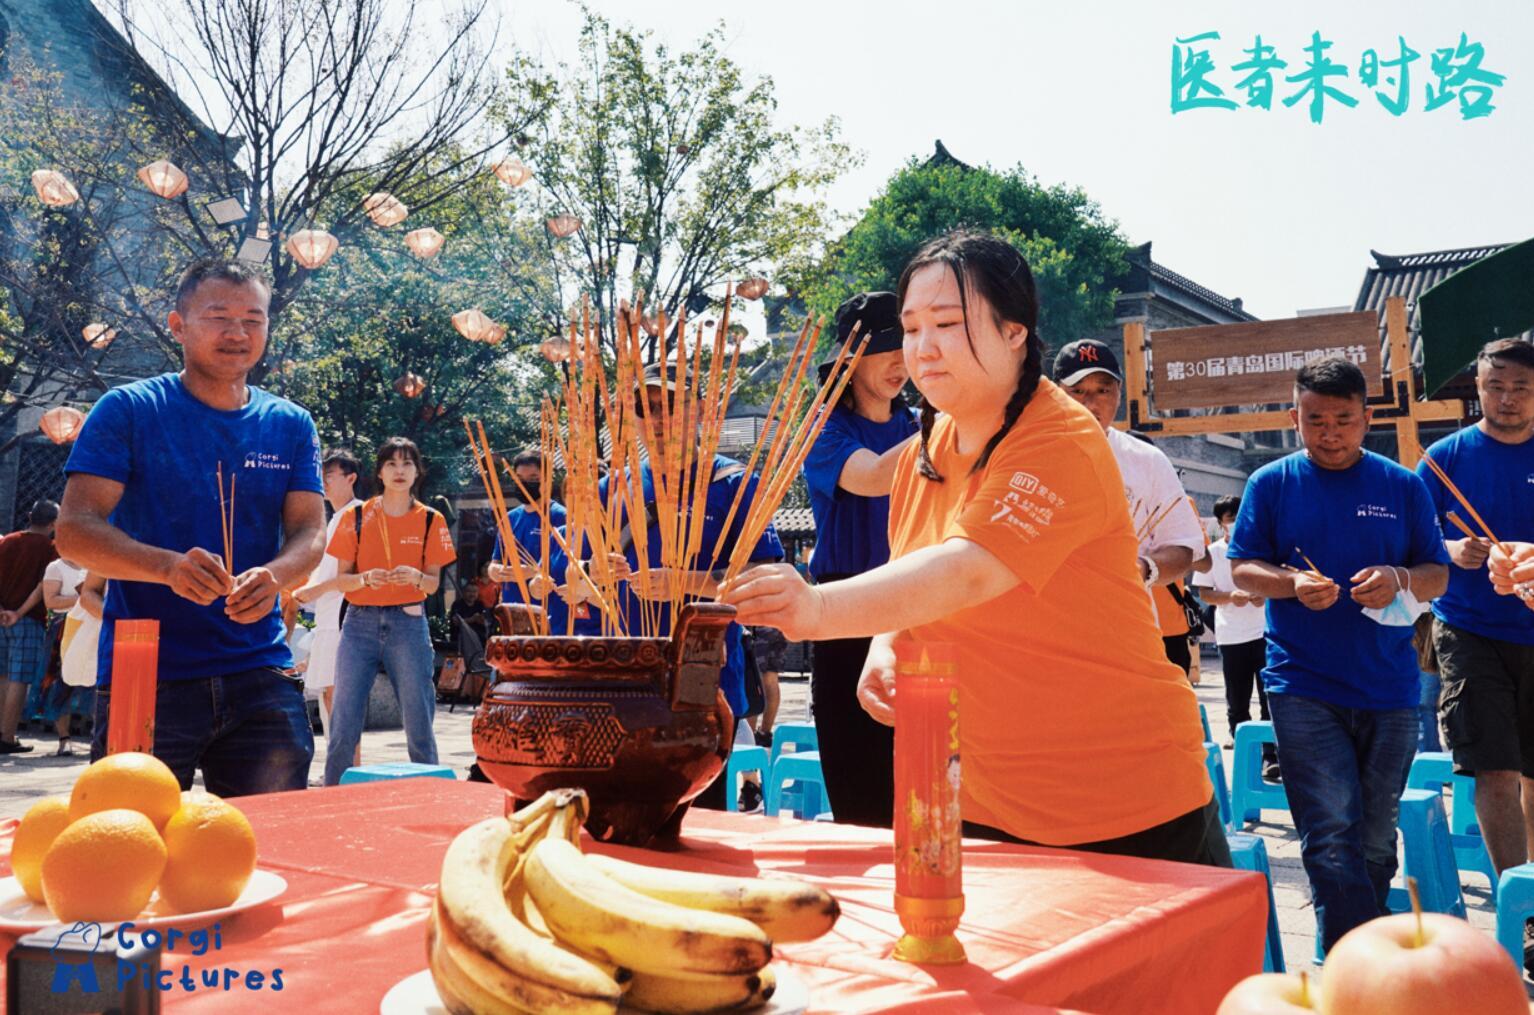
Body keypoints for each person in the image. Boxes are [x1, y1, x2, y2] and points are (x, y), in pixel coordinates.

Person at [724, 229, 1225, 865]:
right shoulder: (922, 452)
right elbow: (914, 568)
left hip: (1122, 803)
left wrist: (817, 609)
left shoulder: (1058, 435)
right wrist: (888, 643)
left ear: (1015, 331)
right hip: (984, 804)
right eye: (910, 328)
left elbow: (970, 569)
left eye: (947, 323)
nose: (922, 349)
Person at [56, 258, 326, 794]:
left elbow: (310, 531)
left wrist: (274, 576)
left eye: (253, 318)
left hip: (259, 666)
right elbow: (75, 530)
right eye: (218, 316)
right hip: (146, 665)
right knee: (127, 839)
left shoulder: (290, 423)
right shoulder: (129, 410)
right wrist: (167, 567)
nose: (237, 332)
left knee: (273, 843)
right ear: (178, 325)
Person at [1227, 356, 1449, 951]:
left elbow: (1438, 575)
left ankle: (1359, 948)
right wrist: (1290, 584)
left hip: (1392, 686)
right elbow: (1243, 569)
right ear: (1294, 417)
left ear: (1366, 418)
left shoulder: (1402, 485)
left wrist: (1400, 575)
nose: (1329, 432)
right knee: (1329, 833)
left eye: (1344, 420)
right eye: (1315, 419)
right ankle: (1354, 960)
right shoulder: (1270, 484)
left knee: (1377, 837)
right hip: (1301, 683)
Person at [567, 361, 784, 811]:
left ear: (701, 410)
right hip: (627, 678)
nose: (659, 420)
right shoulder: (613, 489)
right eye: (646, 409)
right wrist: (592, 575)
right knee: (625, 818)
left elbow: (767, 582)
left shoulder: (733, 484)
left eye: (671, 406)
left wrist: (686, 583)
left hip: (705, 680)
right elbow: (573, 583)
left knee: (703, 821)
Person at [1415, 338, 1534, 887]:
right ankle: (1522, 907)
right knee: (1494, 767)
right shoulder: (1442, 460)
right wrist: (1448, 550)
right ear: (1478, 389)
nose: (1507, 399)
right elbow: (1411, 544)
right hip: (1468, 628)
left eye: (1521, 388)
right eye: (1495, 387)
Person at [799, 291, 917, 827]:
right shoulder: (825, 429)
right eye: (888, 346)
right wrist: (950, 427)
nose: (902, 361)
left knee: (925, 788)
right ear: (849, 360)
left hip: (918, 604)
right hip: (844, 613)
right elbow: (870, 477)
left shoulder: (918, 424)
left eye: (907, 345)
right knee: (862, 797)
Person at [1055, 341, 1206, 677]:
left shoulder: (1146, 460)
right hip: (1047, 636)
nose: (1091, 402)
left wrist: (1143, 568)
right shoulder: (1026, 454)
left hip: (1127, 633)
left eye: (1102, 390)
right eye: (1078, 390)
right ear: (1055, 393)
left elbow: (1186, 545)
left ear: (1119, 393)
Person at [323, 437, 456, 786]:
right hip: (359, 624)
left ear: (417, 472)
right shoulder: (356, 516)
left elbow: (431, 586)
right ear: (380, 471)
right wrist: (365, 578)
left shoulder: (431, 520)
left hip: (409, 622)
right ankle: (332, 798)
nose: (400, 471)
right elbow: (342, 582)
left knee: (419, 722)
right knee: (343, 723)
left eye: (407, 464)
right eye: (392, 464)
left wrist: (415, 576)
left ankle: (430, 795)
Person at [1193, 495, 1278, 778]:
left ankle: (1270, 756)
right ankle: (1246, 758)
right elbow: (1204, 592)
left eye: (1238, 517)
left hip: (1264, 631)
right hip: (1232, 635)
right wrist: (1231, 596)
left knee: (1269, 697)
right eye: (1229, 519)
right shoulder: (1214, 553)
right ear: (1220, 524)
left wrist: (1264, 594)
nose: (1234, 524)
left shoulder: (1261, 549)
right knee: (1237, 699)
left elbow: (1278, 582)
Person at [293, 449, 365, 756]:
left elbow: (353, 574)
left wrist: (307, 592)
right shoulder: (334, 518)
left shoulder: (359, 514)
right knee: (328, 696)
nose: (323, 482)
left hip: (345, 616)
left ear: (351, 478)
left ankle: (349, 768)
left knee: (340, 696)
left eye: (330, 476)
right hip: (325, 617)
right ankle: (342, 766)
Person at [488, 449, 570, 635]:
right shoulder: (509, 519)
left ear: (548, 479)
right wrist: (498, 572)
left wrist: (532, 572)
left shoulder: (561, 517)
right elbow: (495, 563)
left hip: (549, 614)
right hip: (512, 613)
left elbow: (570, 569)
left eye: (533, 478)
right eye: (519, 478)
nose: (525, 484)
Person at [0, 500, 59, 753]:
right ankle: (8, 737)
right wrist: (18, 613)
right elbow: (41, 588)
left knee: (2, 675)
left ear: (29, 516)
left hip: (2, 616)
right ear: (54, 523)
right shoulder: (50, 548)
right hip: (28, 620)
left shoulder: (8, 541)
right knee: (19, 679)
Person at [40, 554, 89, 755]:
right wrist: (87, 597)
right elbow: (50, 601)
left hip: (92, 626)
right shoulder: (55, 567)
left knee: (93, 682)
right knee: (62, 682)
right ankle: (64, 738)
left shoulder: (94, 564)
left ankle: (94, 736)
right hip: (65, 628)